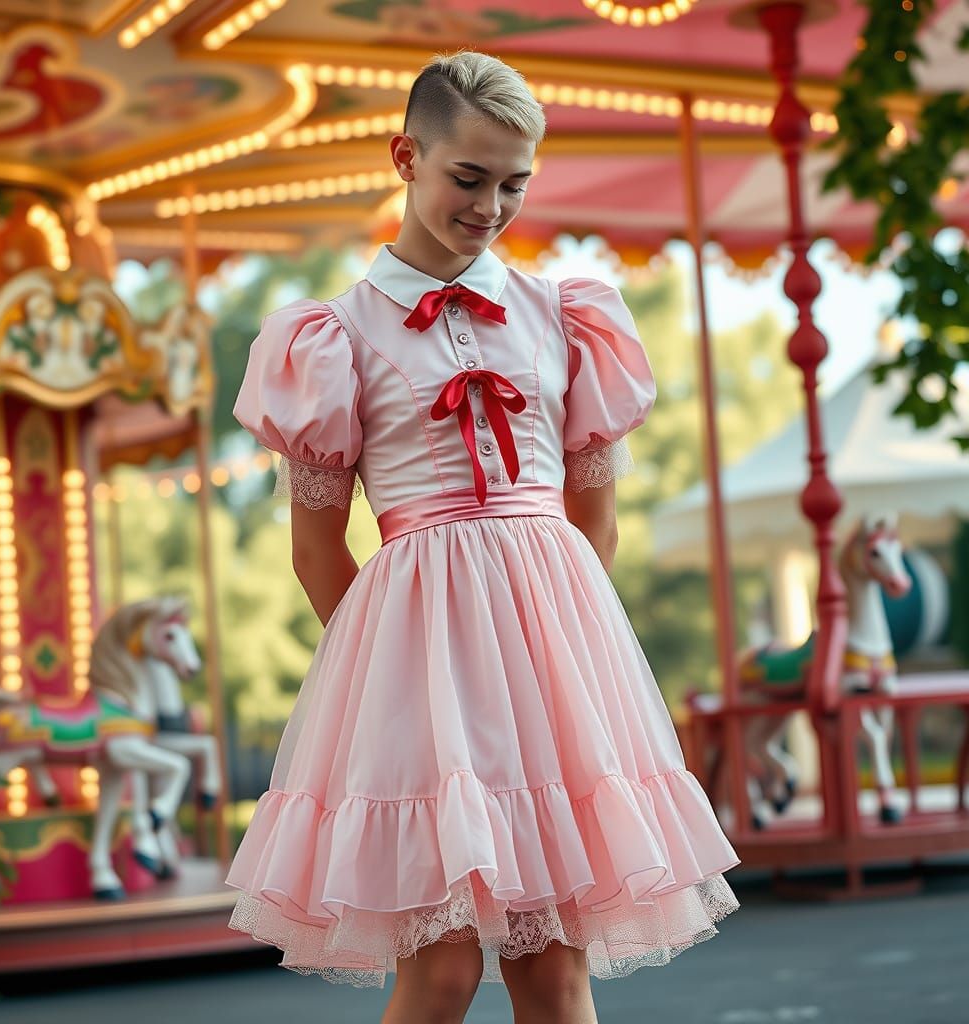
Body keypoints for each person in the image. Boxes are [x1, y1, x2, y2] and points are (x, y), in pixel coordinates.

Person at [226, 49, 739, 1024]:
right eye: (467, 177)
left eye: (514, 183)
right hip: (417, 684)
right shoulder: (332, 337)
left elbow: (591, 519)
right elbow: (315, 546)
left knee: (554, 972)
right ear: (404, 156)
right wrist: (394, 678)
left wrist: (563, 652)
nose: (491, 205)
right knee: (443, 968)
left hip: (556, 677)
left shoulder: (563, 317)